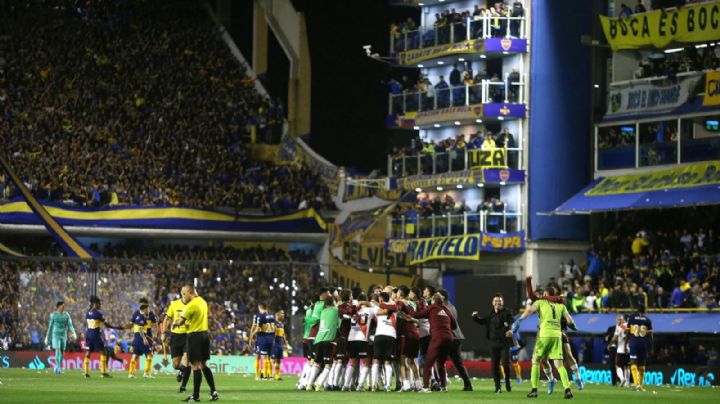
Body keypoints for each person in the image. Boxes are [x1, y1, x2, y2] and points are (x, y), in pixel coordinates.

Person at [512, 286, 576, 399]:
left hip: (544, 334)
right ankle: (567, 390)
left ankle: (534, 390)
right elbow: (570, 321)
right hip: (557, 335)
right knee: (559, 364)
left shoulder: (541, 302)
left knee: (536, 360)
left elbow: (529, 310)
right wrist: (575, 327)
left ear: (546, 293)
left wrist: (519, 320)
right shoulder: (561, 305)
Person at [403, 292, 456, 393]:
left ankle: (426, 387)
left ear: (433, 301)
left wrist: (406, 306)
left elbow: (416, 314)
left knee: (428, 363)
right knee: (441, 363)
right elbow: (454, 326)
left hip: (438, 337)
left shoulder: (432, 307)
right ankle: (444, 387)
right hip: (449, 338)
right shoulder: (446, 310)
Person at [174, 285, 219, 402]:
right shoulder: (203, 302)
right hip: (204, 335)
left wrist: (175, 322)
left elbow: (180, 322)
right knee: (203, 364)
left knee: (195, 366)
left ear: (190, 292)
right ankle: (214, 392)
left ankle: (195, 396)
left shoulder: (191, 305)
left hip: (195, 336)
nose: (183, 297)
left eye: (184, 294)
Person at [472, 293, 514, 393]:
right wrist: (475, 317)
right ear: (492, 303)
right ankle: (497, 387)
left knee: (505, 364)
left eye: (499, 301)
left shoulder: (507, 312)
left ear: (502, 302)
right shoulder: (490, 314)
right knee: (494, 366)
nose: (497, 303)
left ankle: (507, 381)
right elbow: (482, 321)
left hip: (504, 343)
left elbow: (512, 321)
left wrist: (511, 330)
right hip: (493, 343)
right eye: (496, 301)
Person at [438, 289, 473, 391]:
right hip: (456, 337)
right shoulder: (451, 306)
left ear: (443, 297)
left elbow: (447, 323)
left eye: (438, 295)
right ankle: (468, 384)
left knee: (439, 361)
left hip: (450, 337)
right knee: (458, 363)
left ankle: (442, 384)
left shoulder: (445, 308)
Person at [306, 295, 339, 391]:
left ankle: (309, 384)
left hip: (318, 340)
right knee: (328, 364)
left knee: (317, 363)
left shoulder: (323, 311)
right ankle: (319, 384)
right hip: (329, 340)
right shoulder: (336, 310)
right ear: (333, 302)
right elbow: (339, 324)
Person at [343, 293, 374, 391]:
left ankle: (346, 385)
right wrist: (367, 303)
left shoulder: (353, 311)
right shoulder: (370, 310)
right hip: (362, 339)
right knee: (366, 362)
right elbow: (375, 308)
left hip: (351, 338)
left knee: (352, 362)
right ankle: (360, 386)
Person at [84, 296, 121, 378]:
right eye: (99, 303)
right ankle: (103, 372)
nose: (100, 305)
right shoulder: (98, 313)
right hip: (95, 334)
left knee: (88, 353)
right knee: (103, 352)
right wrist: (116, 327)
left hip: (88, 334)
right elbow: (106, 324)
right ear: (95, 304)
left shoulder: (88, 313)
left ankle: (86, 373)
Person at [163, 293, 191, 393]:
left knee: (186, 363)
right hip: (175, 336)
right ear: (182, 294)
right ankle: (180, 371)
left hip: (188, 336)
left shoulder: (192, 305)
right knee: (176, 365)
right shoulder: (174, 304)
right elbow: (166, 319)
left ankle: (183, 387)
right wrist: (164, 333)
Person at [126, 298, 158, 379]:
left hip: (148, 336)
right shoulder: (136, 313)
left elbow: (155, 324)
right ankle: (145, 373)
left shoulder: (151, 314)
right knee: (147, 354)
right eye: (140, 304)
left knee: (138, 355)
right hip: (141, 337)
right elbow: (131, 324)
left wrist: (155, 334)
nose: (141, 306)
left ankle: (132, 373)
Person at [45, 301, 77, 375]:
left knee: (62, 351)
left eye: (64, 305)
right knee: (58, 349)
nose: (64, 307)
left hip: (63, 335)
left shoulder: (66, 315)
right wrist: (47, 337)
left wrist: (73, 332)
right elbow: (50, 326)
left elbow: (70, 325)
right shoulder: (54, 315)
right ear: (58, 307)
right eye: (62, 306)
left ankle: (58, 366)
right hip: (55, 334)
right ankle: (58, 367)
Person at [627, 305, 653, 392]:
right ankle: (641, 385)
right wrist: (651, 347)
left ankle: (636, 384)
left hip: (634, 342)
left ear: (637, 310)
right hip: (643, 344)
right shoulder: (648, 320)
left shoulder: (632, 318)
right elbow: (650, 335)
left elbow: (628, 331)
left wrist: (627, 342)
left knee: (633, 363)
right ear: (644, 311)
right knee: (642, 364)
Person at [250, 303, 276, 381]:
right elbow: (274, 327)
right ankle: (269, 375)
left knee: (260, 357)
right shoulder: (272, 316)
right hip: (271, 338)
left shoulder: (260, 316)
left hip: (263, 338)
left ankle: (261, 376)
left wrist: (251, 335)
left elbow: (258, 328)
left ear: (259, 307)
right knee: (268, 357)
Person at [607, 314, 630, 387]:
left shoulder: (620, 327)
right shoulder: (629, 326)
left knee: (617, 365)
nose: (620, 320)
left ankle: (622, 378)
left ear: (624, 319)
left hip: (620, 349)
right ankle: (627, 383)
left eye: (621, 319)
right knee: (627, 366)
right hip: (628, 349)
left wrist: (610, 344)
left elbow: (615, 337)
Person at [271, 310, 288, 381]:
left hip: (280, 344)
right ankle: (270, 374)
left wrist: (285, 342)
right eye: (281, 315)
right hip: (275, 344)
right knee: (273, 359)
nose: (283, 316)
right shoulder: (275, 324)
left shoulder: (282, 324)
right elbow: (273, 333)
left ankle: (277, 375)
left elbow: (283, 334)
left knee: (278, 360)